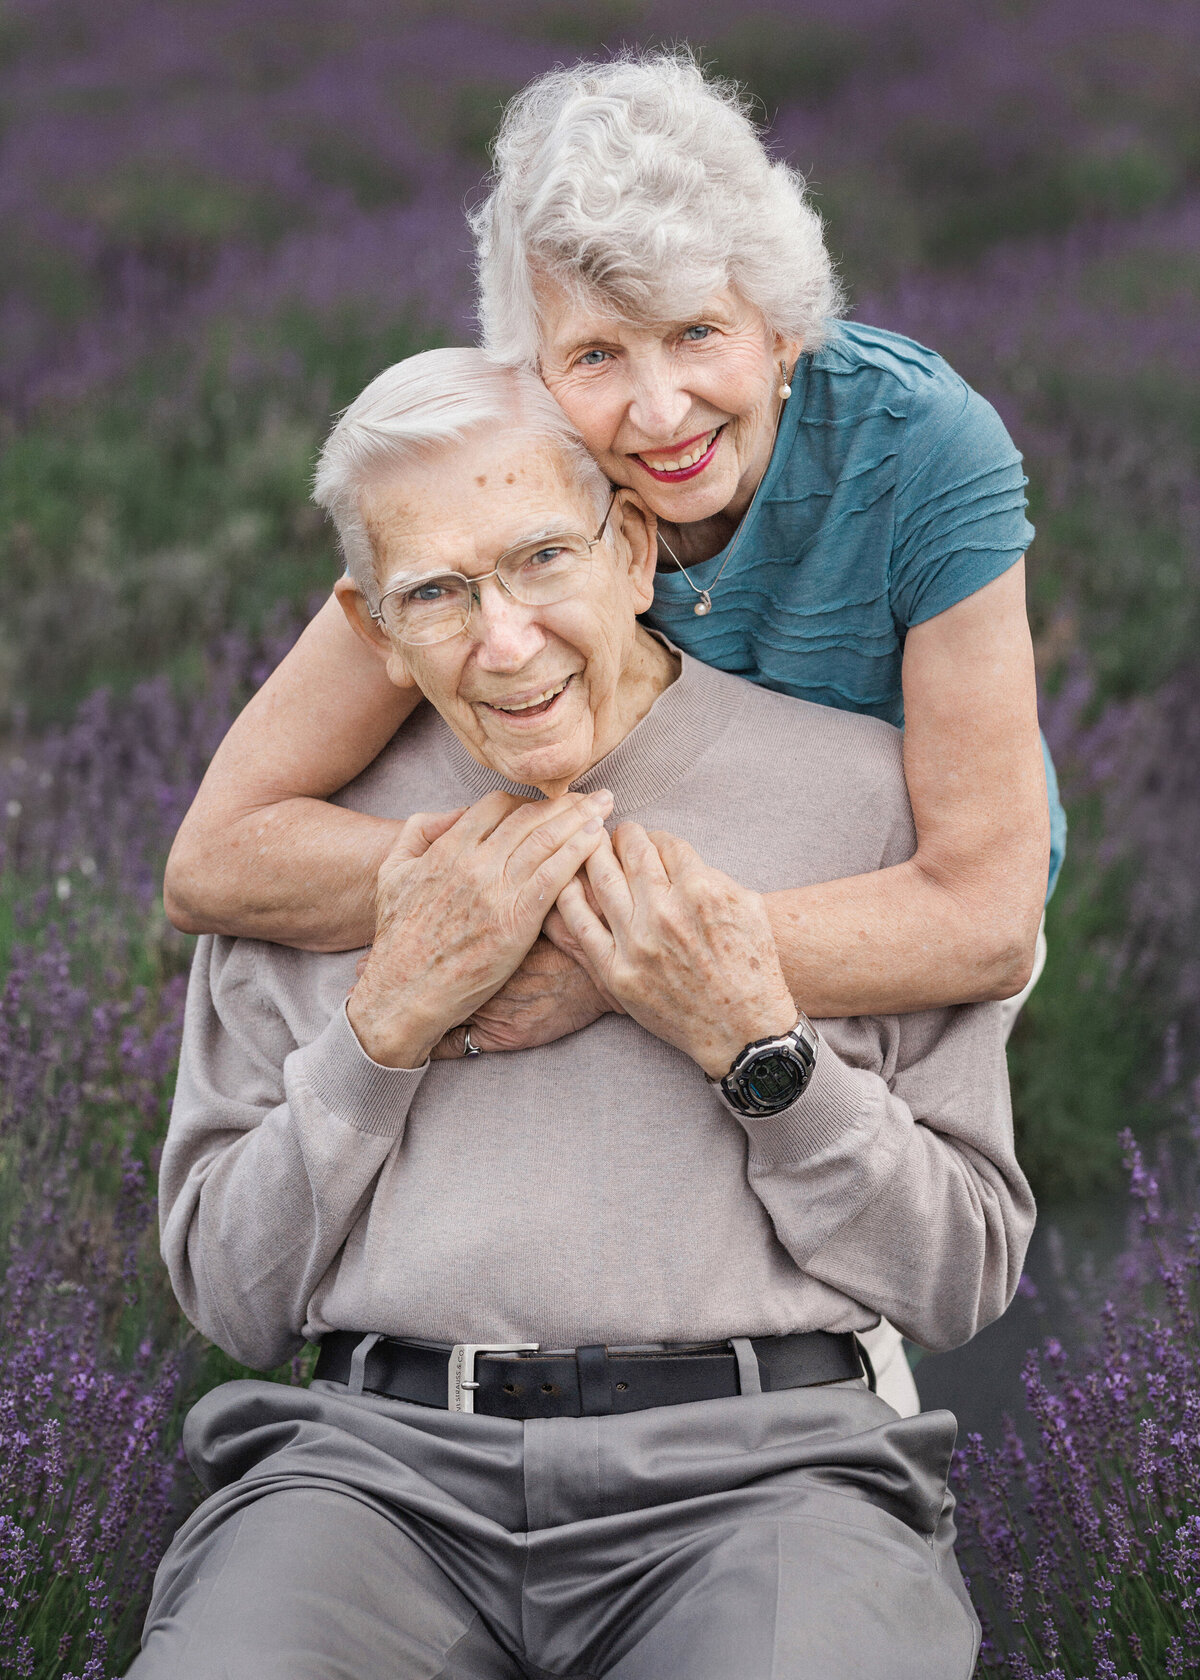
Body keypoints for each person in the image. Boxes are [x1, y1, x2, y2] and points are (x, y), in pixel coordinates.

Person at [162, 51, 1060, 1412]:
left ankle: (815, 1437)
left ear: (778, 324)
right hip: (651, 839)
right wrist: (477, 908)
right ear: (531, 365)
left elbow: (986, 916)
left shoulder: (924, 449)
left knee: (872, 1201)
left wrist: (613, 958)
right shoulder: (508, 473)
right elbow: (218, 860)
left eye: (699, 333)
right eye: (596, 354)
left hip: (892, 862)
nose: (656, 411)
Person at [130, 349, 1034, 1680]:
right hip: (373, 1490)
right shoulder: (300, 862)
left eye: (543, 558)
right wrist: (380, 1034)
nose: (504, 641)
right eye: (436, 591)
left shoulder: (867, 809)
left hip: (766, 1485)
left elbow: (960, 1280)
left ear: (632, 548)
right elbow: (228, 1293)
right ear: (372, 626)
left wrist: (757, 1047)